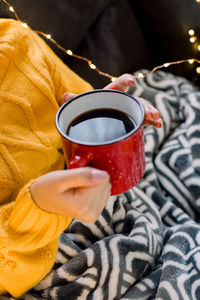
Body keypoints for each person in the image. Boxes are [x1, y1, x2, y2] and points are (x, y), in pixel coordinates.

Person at [0, 18, 162, 298]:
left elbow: (78, 102)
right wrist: (40, 209)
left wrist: (107, 106)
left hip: (107, 192)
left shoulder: (14, 39)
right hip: (35, 262)